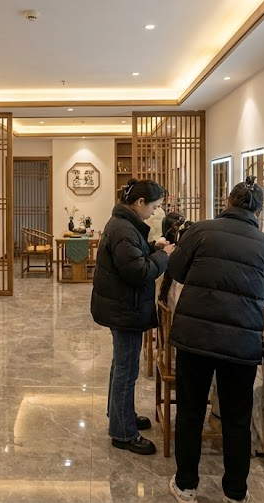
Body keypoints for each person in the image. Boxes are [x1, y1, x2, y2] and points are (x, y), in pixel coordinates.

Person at [165, 178, 264, 503]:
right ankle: (235, 492)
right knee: (236, 419)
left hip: (195, 339)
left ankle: (186, 485)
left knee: (190, 412)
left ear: (228, 202)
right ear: (259, 211)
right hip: (240, 343)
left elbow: (175, 268)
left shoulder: (200, 231)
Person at [91, 178, 173, 455]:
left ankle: (120, 415)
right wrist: (165, 257)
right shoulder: (124, 229)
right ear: (139, 203)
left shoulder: (124, 225)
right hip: (124, 308)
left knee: (122, 366)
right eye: (154, 207)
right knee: (126, 370)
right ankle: (123, 432)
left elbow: (133, 258)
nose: (154, 212)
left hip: (122, 306)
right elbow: (138, 272)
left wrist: (154, 248)